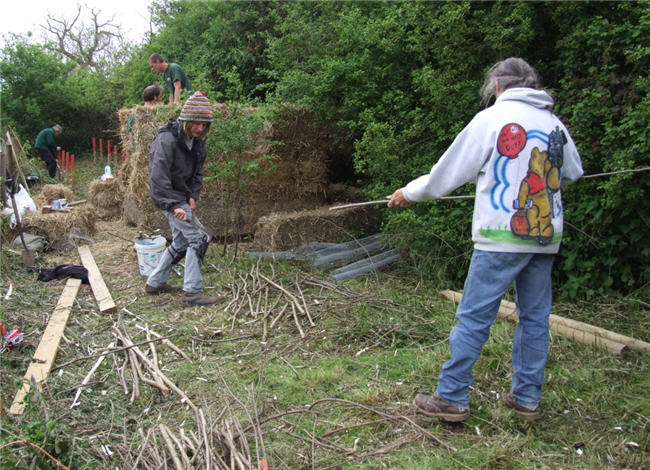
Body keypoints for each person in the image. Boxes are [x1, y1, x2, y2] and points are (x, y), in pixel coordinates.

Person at [387, 57, 583, 422]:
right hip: (544, 238)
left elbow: (445, 174)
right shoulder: (554, 122)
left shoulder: (491, 120)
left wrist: (409, 193)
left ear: (497, 86)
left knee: (475, 315)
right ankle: (527, 399)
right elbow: (572, 172)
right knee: (535, 317)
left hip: (500, 237)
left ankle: (451, 397)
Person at [145, 91, 223, 306]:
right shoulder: (167, 140)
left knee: (180, 242)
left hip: (180, 197)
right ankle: (192, 292)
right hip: (167, 197)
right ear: (185, 120)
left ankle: (155, 283)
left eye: (204, 124)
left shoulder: (198, 143)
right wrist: (172, 206)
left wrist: (191, 196)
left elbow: (197, 173)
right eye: (196, 123)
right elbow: (157, 177)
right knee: (200, 238)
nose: (200, 128)